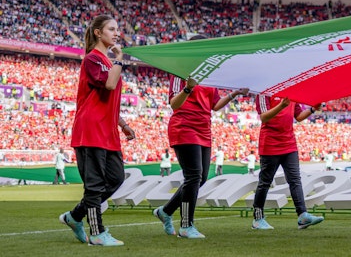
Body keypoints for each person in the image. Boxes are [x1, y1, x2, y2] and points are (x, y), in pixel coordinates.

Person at [152, 34, 249, 239]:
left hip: (204, 129)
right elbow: (174, 104)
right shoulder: (180, 71)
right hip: (184, 126)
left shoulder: (209, 75)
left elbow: (214, 105)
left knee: (201, 178)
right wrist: (189, 87)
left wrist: (234, 94)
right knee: (194, 176)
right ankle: (186, 226)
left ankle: (166, 211)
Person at [60, 14, 135, 246]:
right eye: (111, 29)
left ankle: (75, 216)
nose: (116, 33)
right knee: (94, 185)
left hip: (108, 131)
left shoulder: (107, 61)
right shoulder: (92, 59)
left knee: (116, 178)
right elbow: (110, 84)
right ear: (98, 33)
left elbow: (107, 99)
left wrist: (122, 124)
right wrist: (120, 60)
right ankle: (97, 232)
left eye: (117, 29)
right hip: (91, 129)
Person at [250, 96, 324, 231]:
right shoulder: (264, 92)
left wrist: (312, 109)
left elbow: (299, 116)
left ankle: (302, 216)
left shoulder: (290, 91)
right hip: (270, 143)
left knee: (295, 179)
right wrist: (281, 106)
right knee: (265, 182)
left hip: (289, 143)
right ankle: (257, 218)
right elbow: (264, 117)